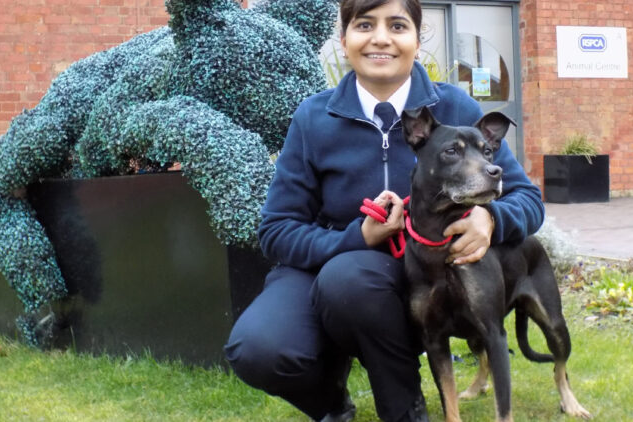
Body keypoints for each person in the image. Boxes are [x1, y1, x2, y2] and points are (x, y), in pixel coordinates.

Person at [224, 0, 544, 421]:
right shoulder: (313, 118)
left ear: (417, 38)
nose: (380, 38)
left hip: (428, 271)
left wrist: (491, 218)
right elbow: (277, 230)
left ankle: (405, 411)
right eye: (363, 25)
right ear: (343, 41)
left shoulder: (456, 109)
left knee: (354, 282)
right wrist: (356, 237)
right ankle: (331, 401)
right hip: (330, 268)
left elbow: (527, 199)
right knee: (259, 348)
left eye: (397, 25)